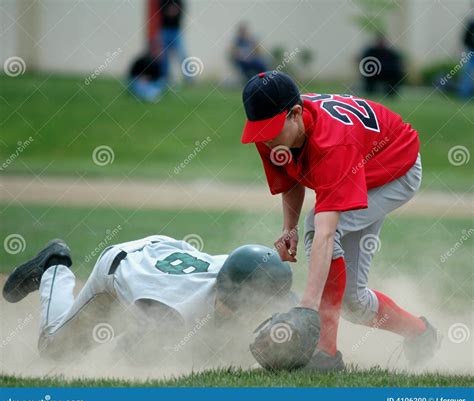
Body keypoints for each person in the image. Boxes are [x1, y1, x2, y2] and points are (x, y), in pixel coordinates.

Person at [240, 71, 442, 371]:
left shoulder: (331, 143)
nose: (266, 140)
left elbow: (324, 233)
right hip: (360, 162)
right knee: (353, 303)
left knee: (317, 227)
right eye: (259, 131)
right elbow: (291, 174)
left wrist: (306, 308)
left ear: (295, 114)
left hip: (395, 169)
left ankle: (326, 356)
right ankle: (421, 334)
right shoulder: (274, 131)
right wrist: (288, 228)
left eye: (270, 130)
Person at [3, 236, 295, 366]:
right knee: (56, 350)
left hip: (162, 255)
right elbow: (131, 352)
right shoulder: (173, 312)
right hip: (119, 272)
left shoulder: (239, 274)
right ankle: (53, 266)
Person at [158, 0, 190, 84]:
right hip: (164, 30)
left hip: (176, 31)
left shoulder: (179, 2)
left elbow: (179, 13)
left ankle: (189, 78)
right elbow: (162, 12)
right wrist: (171, 12)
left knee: (182, 54)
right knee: (164, 56)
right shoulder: (162, 2)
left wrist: (171, 12)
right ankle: (164, 78)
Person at [459, 16, 474, 99]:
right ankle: (464, 94)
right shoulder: (471, 23)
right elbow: (465, 38)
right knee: (467, 72)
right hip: (471, 51)